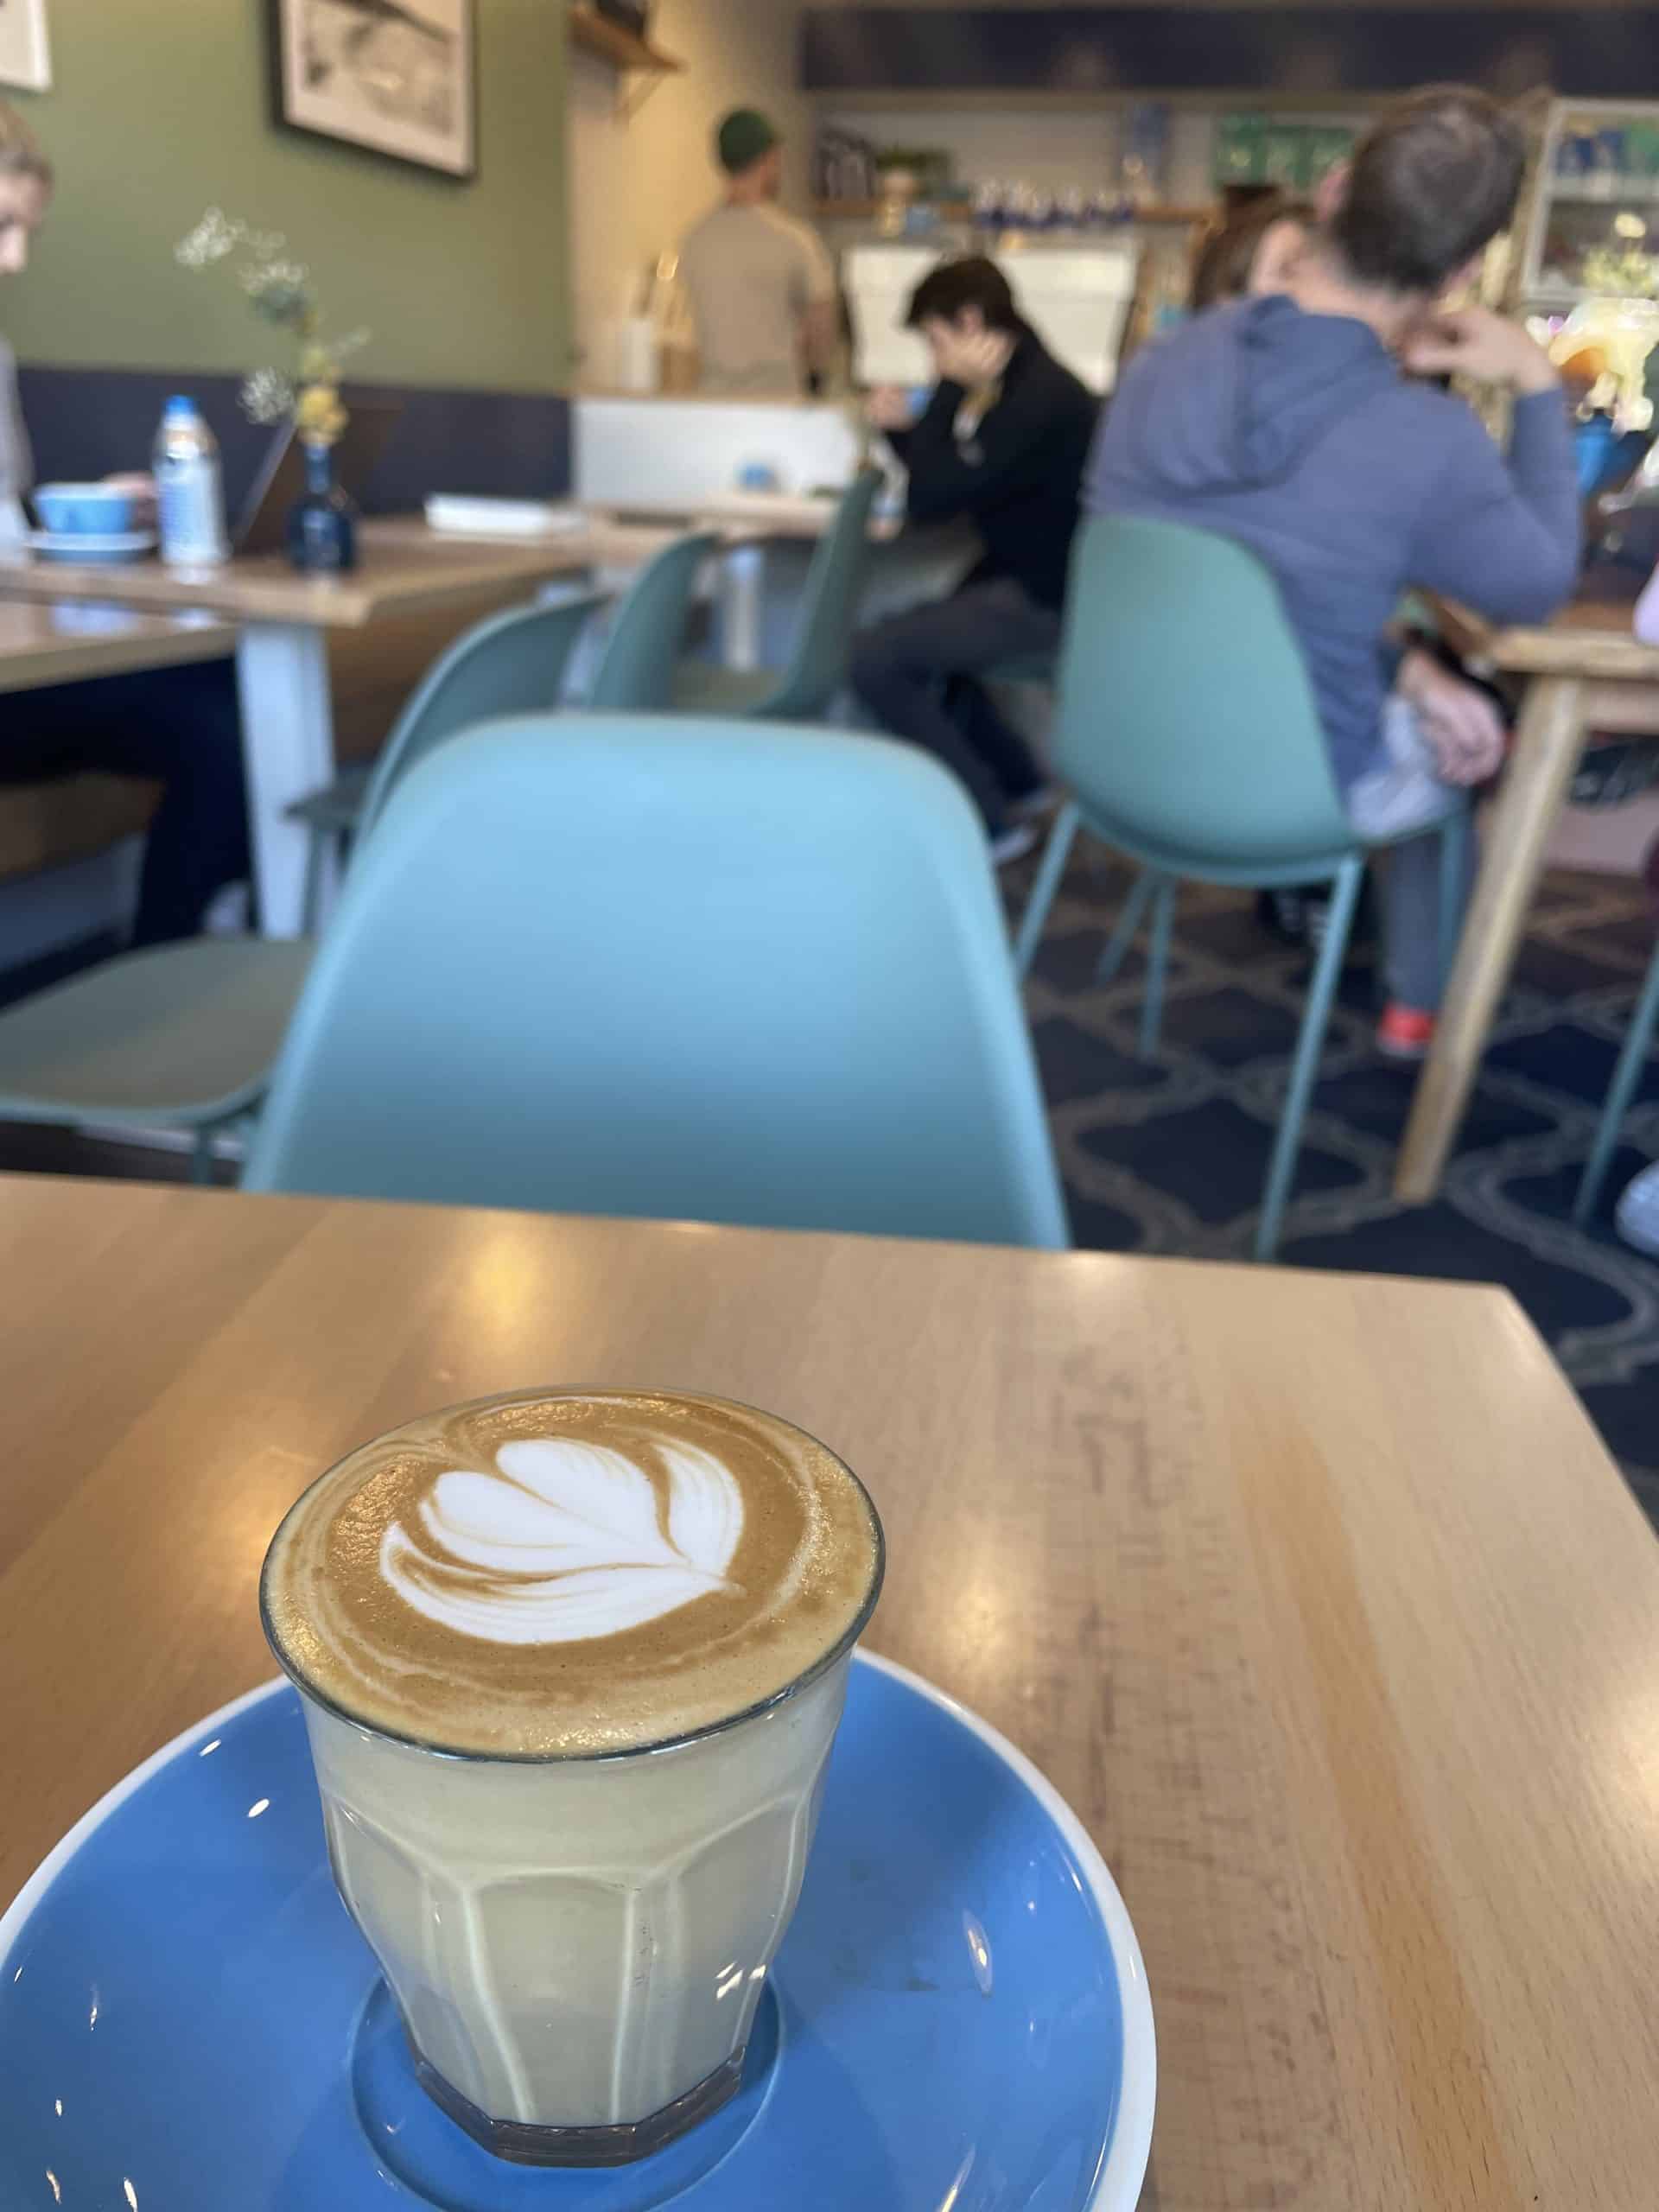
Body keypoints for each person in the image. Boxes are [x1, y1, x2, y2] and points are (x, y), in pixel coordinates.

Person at [1085, 86, 1580, 1057]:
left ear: (1333, 188)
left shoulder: (1161, 365)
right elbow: (1537, 586)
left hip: (1116, 756)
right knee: (1466, 754)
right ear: (1463, 270)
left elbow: (1252, 578)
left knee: (1429, 704)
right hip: (1290, 788)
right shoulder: (1424, 438)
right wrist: (1530, 381)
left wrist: (1407, 668)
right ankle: (1419, 1011)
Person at [0, 101, 248, 947]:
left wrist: (78, 505)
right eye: (2, 226)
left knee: (223, 712)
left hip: (24, 677)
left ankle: (165, 961)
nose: (16, 259)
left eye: (26, 231)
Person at [850, 256, 1099, 861]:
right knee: (939, 643)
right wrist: (904, 435)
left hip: (1044, 598)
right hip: (1040, 581)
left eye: (936, 342)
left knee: (876, 660)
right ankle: (1019, 784)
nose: (934, 360)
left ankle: (987, 821)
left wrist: (947, 393)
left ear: (969, 323)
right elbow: (960, 482)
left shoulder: (1036, 399)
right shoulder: (1031, 385)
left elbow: (934, 499)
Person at [677, 109, 839, 397]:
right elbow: (822, 322)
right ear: (768, 159)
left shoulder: (693, 240)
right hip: (778, 402)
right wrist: (817, 376)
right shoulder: (794, 239)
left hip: (712, 403)